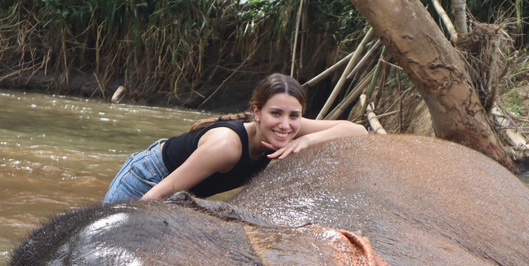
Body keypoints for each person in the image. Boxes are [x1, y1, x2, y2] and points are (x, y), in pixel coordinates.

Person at [103, 73, 368, 204]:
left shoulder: (290, 128)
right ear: (257, 112)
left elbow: (358, 132)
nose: (285, 125)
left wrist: (306, 141)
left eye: (294, 116)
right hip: (146, 181)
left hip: (183, 194)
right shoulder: (226, 147)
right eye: (276, 113)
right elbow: (158, 194)